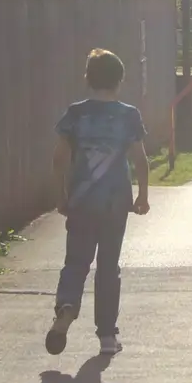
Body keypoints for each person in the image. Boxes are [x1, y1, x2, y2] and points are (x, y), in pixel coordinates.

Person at [47, 48, 150, 357]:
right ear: (120, 80)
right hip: (116, 203)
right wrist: (142, 194)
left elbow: (59, 159)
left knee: (76, 262)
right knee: (108, 267)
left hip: (81, 200)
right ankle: (107, 336)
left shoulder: (76, 113)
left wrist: (61, 194)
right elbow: (140, 160)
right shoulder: (128, 115)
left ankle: (66, 308)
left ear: (88, 79)